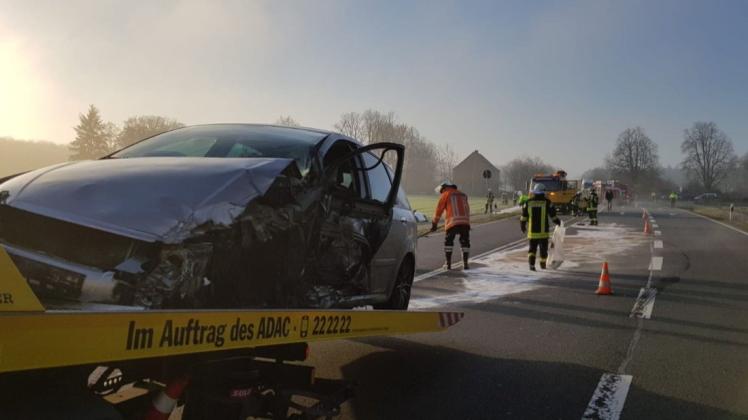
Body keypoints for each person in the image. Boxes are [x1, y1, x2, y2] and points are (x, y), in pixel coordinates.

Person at [520, 184, 561, 271]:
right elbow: (553, 216)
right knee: (543, 250)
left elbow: (524, 216)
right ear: (543, 192)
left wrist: (523, 226)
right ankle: (542, 264)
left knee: (532, 250)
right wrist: (558, 222)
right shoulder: (547, 202)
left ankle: (531, 265)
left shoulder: (528, 202)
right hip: (543, 232)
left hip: (532, 232)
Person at [431, 181, 471, 270]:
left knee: (448, 242)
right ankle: (465, 263)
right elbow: (467, 209)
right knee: (465, 242)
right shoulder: (463, 195)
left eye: (441, 191)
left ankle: (448, 264)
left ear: (444, 188)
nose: (441, 192)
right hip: (465, 222)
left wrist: (434, 224)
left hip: (452, 222)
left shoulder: (446, 194)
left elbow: (439, 210)